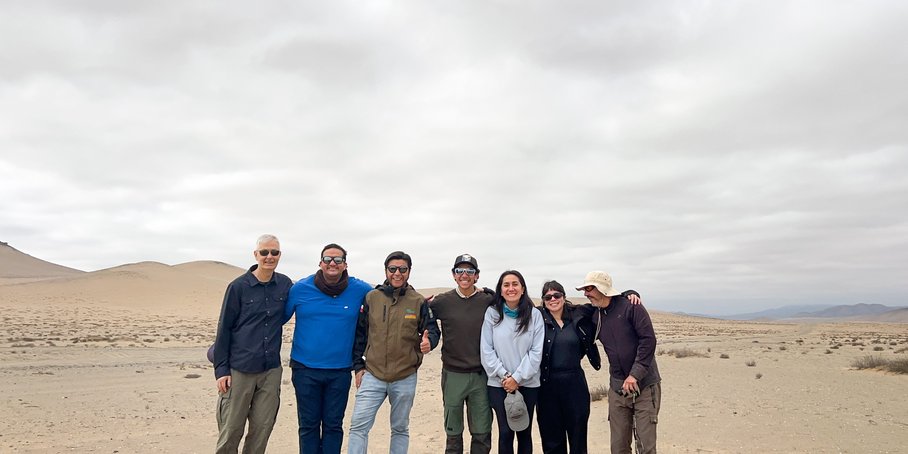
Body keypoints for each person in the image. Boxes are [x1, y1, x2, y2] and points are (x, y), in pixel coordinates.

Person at [284, 243, 373, 454]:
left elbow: (385, 297)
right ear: (320, 263)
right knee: (308, 426)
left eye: (338, 260)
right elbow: (273, 319)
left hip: (340, 371)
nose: (332, 263)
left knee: (333, 426)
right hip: (305, 369)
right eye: (327, 259)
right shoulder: (300, 289)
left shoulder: (360, 289)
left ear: (345, 264)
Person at [536, 281, 641, 454]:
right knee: (552, 440)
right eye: (548, 297)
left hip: (575, 384)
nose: (553, 299)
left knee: (578, 437)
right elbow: (514, 304)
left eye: (557, 295)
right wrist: (484, 291)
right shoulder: (537, 317)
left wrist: (628, 293)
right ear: (543, 300)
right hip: (546, 386)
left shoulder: (579, 313)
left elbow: (605, 302)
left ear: (564, 297)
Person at [212, 234, 293, 454]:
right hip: (240, 368)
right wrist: (221, 370)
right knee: (231, 429)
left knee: (262, 429)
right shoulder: (238, 287)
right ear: (255, 254)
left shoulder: (285, 284)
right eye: (264, 252)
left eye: (274, 252)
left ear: (279, 255)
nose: (269, 257)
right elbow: (224, 329)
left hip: (270, 370)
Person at [347, 251, 433, 454]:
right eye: (392, 269)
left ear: (409, 272)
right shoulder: (372, 298)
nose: (397, 273)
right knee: (358, 427)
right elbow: (360, 334)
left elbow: (431, 330)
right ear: (386, 271)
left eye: (403, 269)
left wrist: (430, 342)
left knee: (400, 429)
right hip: (373, 375)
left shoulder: (418, 301)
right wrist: (358, 367)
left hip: (405, 376)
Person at [577, 271, 661, 454]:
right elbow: (569, 310)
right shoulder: (595, 314)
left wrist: (635, 374)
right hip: (617, 388)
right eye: (585, 289)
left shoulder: (632, 306)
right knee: (618, 447)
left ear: (603, 289)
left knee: (646, 446)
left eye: (589, 289)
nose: (586, 293)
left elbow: (648, 341)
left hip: (645, 385)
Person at [424, 254, 494, 454]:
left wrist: (491, 290)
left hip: (481, 375)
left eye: (470, 271)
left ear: (477, 276)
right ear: (454, 275)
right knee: (453, 432)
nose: (465, 275)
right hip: (452, 374)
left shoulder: (487, 300)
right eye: (460, 271)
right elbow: (418, 314)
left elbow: (515, 304)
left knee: (481, 432)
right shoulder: (442, 301)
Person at [480, 270, 545, 454]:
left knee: (524, 432)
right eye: (506, 285)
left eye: (515, 284)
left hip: (528, 383)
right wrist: (505, 376)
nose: (511, 288)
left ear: (523, 289)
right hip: (499, 384)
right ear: (500, 290)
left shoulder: (534, 316)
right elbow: (486, 350)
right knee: (506, 432)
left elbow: (535, 352)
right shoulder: (492, 314)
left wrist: (517, 378)